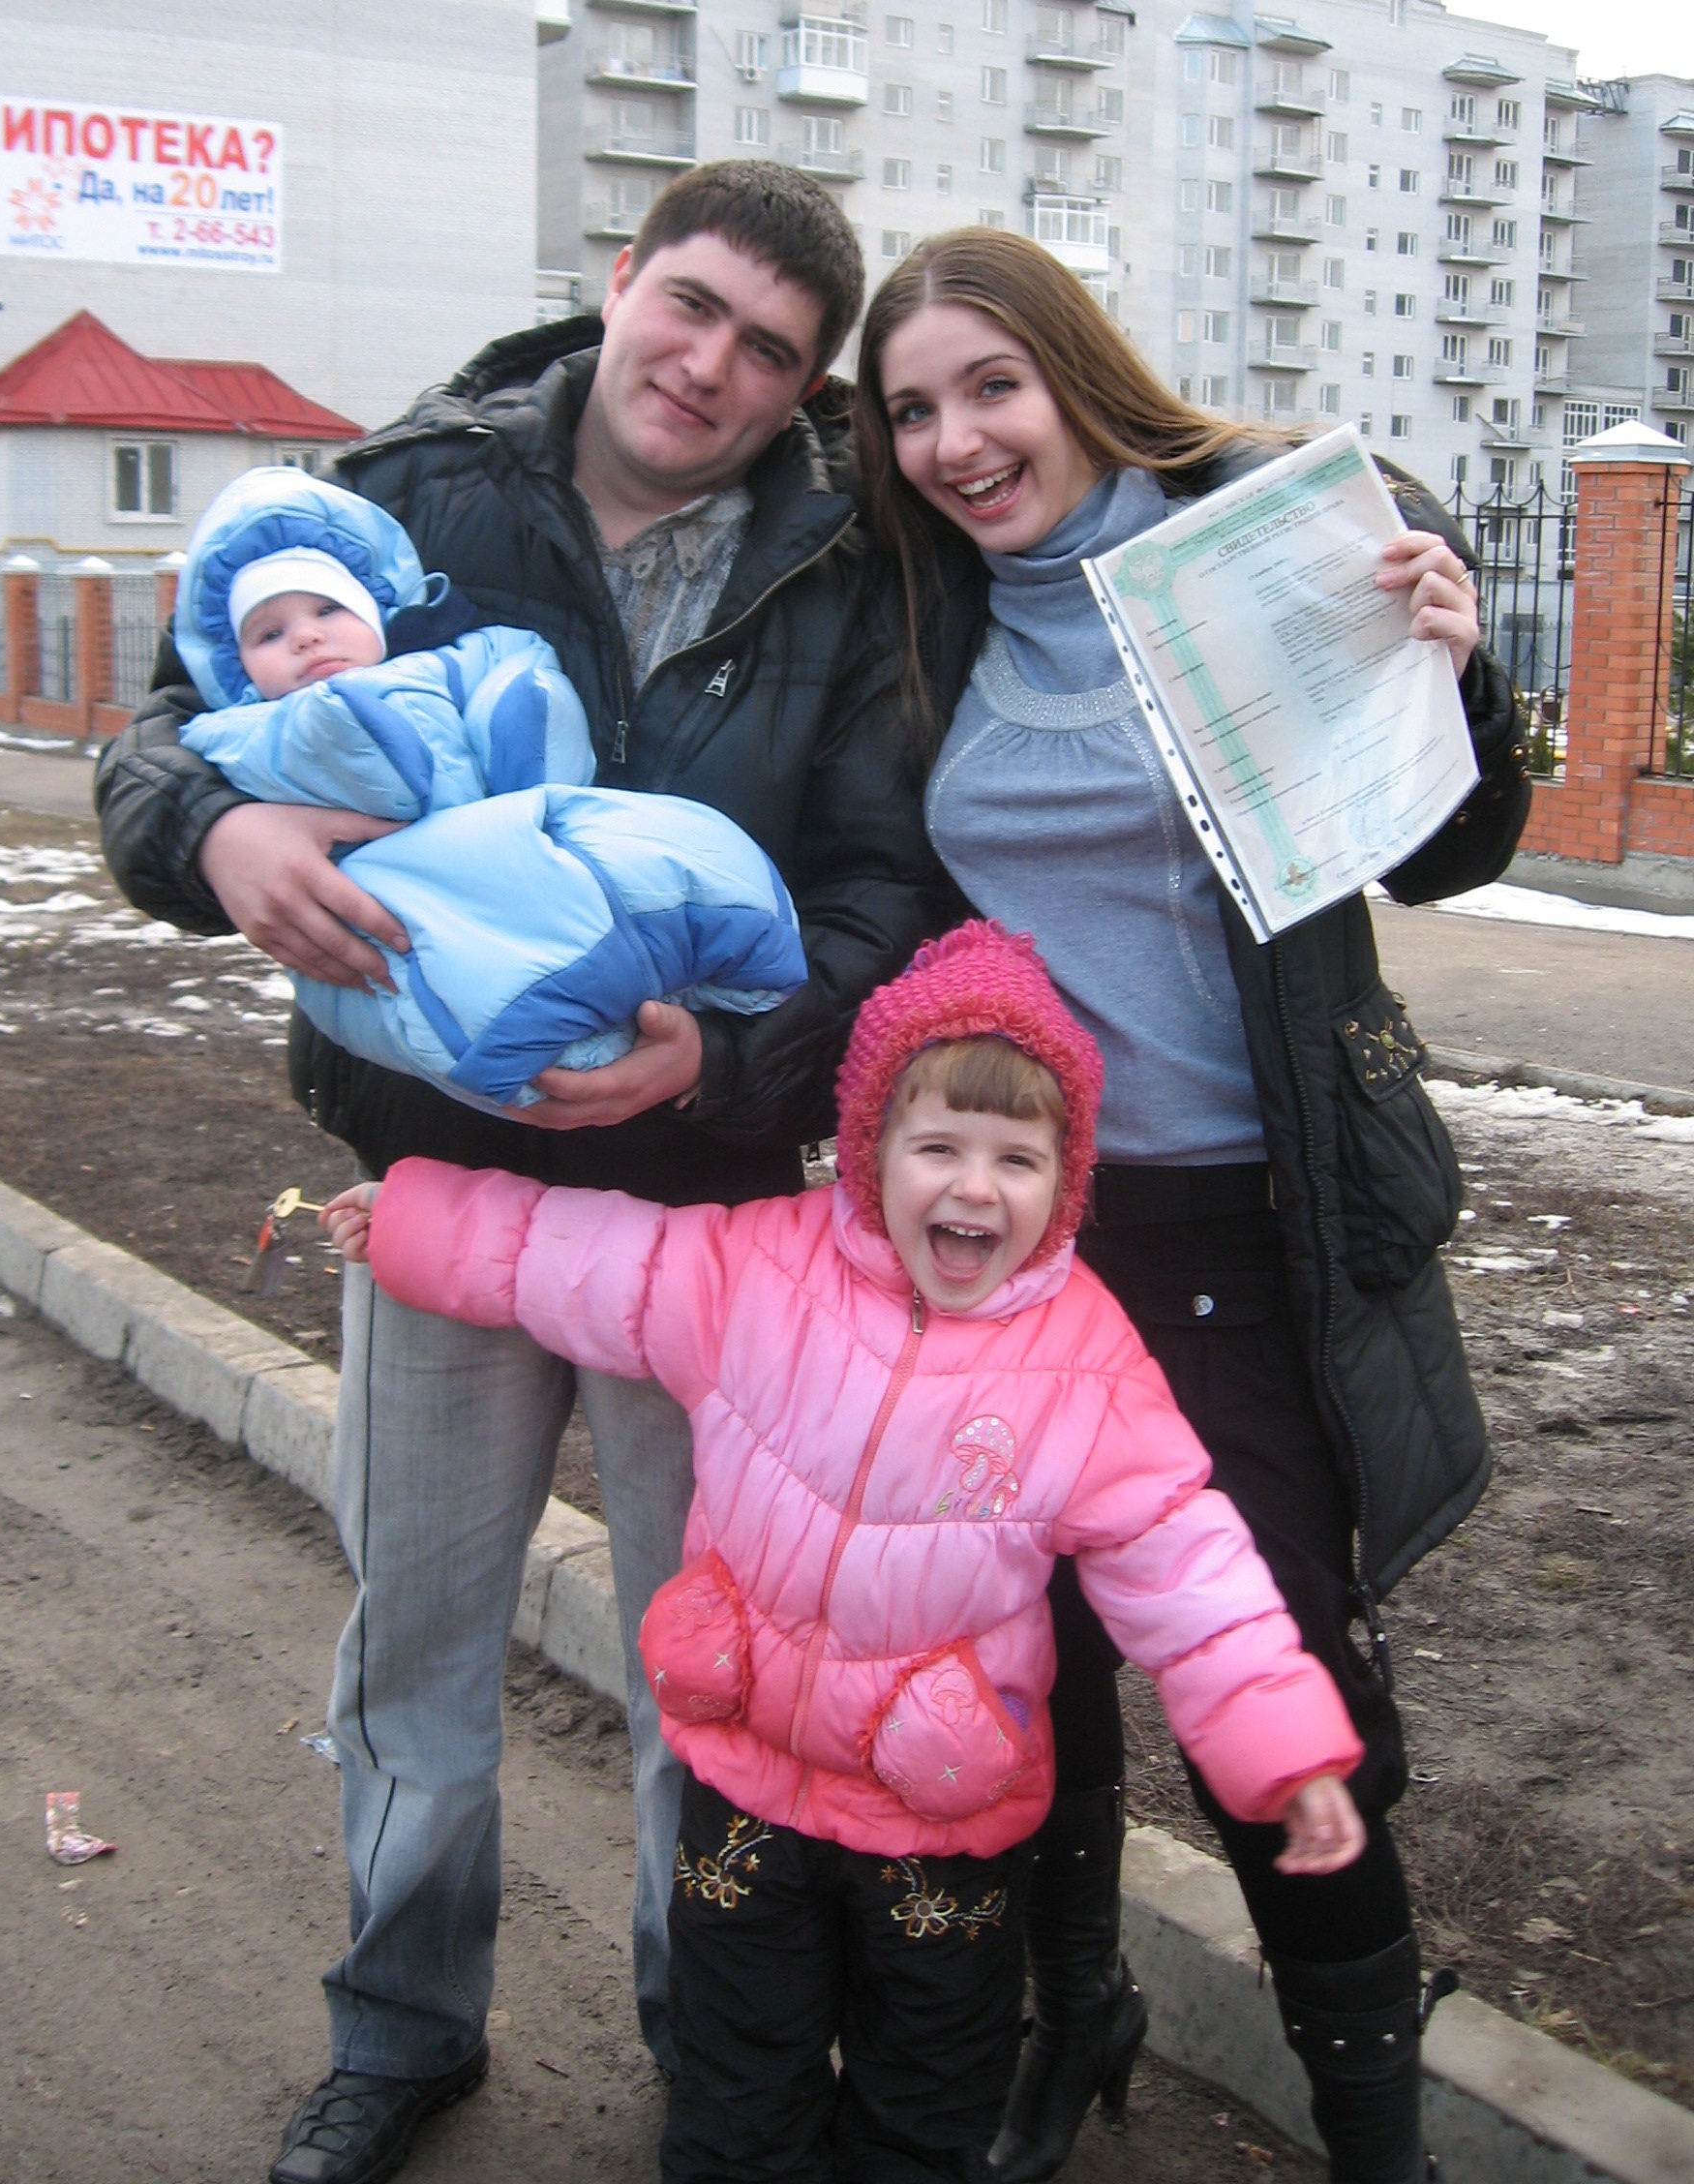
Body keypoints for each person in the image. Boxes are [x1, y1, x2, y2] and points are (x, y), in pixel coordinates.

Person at [94, 160, 974, 2184]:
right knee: (416, 1636)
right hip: (436, 1194)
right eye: (691, 306)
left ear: (808, 385)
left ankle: (707, 2045)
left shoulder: (852, 562)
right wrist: (216, 836)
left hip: (709, 1208)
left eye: (772, 350)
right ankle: (400, 2029)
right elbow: (162, 733)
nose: (712, 366)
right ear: (622, 280)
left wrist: (722, 1056)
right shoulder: (414, 489)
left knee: (703, 1662)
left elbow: (879, 885)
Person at [317, 921, 1370, 2184]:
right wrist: (413, 1217)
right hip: (746, 1791)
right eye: (939, 1147)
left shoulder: (1089, 1372)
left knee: (923, 2110)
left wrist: (1285, 1753)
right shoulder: (755, 1267)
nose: (975, 1189)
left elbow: (1194, 1578)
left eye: (1018, 1159)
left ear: (1069, 1177)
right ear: (870, 1148)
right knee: (734, 2089)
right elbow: (584, 1257)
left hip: (940, 1827)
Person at [851, 228, 1531, 2184]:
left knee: (1273, 1683)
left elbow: (1450, 854)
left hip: (1240, 1222)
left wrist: (1453, 671)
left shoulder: (1260, 545)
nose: (958, 442)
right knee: (1024, 1668)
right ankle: (1079, 2014)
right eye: (912, 410)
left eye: (991, 386)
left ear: (1075, 370)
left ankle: (1374, 2136)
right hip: (1019, 1244)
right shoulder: (933, 614)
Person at [168, 467, 808, 1109]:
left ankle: (720, 956)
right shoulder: (239, 733)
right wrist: (216, 825)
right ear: (235, 666)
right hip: (383, 911)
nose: (306, 636)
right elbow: (171, 762)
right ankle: (565, 1045)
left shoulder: (449, 662)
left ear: (376, 609)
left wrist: (523, 726)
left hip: (515, 840)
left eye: (328, 609)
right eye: (270, 634)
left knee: (668, 854)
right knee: (460, 984)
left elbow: (524, 683)